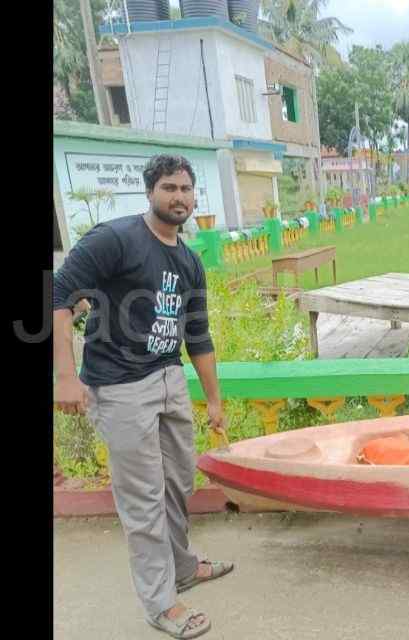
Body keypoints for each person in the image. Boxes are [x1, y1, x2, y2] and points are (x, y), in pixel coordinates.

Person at [53, 154, 233, 638]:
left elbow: (198, 334)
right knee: (144, 499)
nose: (179, 197)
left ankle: (183, 567)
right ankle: (160, 603)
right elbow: (58, 294)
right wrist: (66, 377)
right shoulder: (116, 240)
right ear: (150, 191)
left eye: (186, 189)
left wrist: (213, 400)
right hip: (119, 386)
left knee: (178, 482)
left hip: (169, 378)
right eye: (169, 188)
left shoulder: (188, 260)